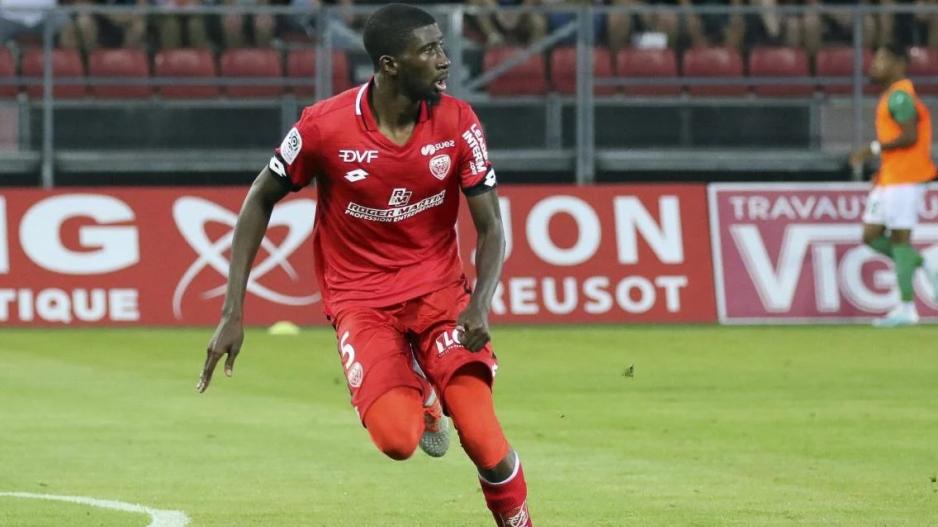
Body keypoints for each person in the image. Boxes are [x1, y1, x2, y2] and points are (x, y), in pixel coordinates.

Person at [197, 4, 533, 526]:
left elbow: (491, 226)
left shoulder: (458, 121)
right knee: (398, 440)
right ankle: (422, 393)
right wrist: (232, 310)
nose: (444, 59)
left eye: (441, 46)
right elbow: (260, 197)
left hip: (440, 295)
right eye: (429, 50)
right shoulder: (324, 127)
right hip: (361, 302)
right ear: (389, 64)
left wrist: (480, 304)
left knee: (482, 435)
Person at [850, 42, 938, 327]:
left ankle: (907, 308)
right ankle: (926, 263)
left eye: (882, 60)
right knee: (871, 235)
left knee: (900, 239)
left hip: (906, 178)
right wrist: (881, 171)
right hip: (891, 177)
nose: (875, 66)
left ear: (898, 65)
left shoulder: (900, 96)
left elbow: (910, 136)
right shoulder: (893, 95)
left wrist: (872, 149)